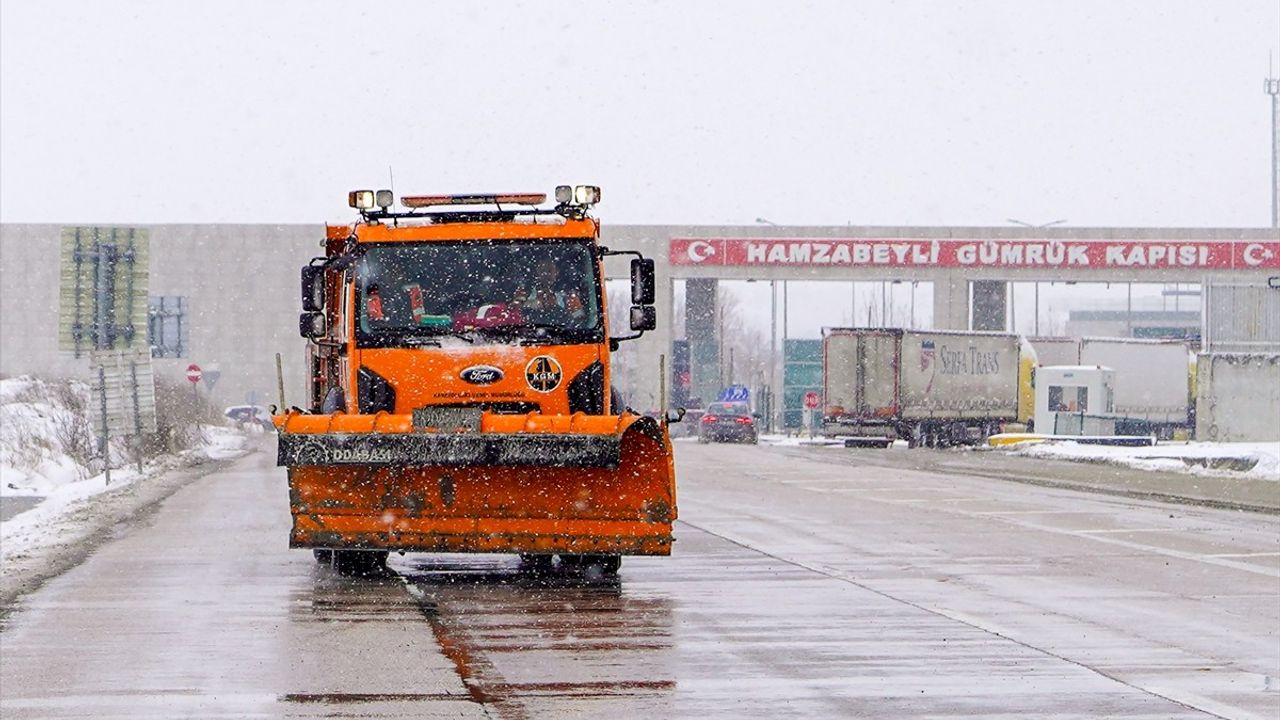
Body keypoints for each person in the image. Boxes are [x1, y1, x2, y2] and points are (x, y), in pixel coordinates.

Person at [513, 256, 585, 324]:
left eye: (550, 270)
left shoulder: (568, 295)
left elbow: (579, 320)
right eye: (542, 270)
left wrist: (561, 313)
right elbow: (514, 311)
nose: (546, 274)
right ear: (536, 273)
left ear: (557, 272)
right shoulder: (524, 292)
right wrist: (531, 305)